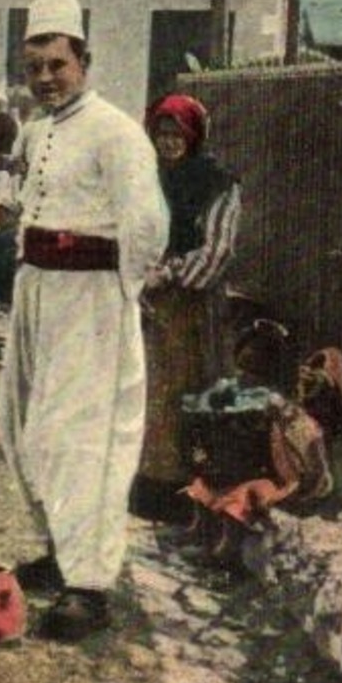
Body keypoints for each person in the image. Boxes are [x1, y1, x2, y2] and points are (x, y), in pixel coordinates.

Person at [0, 0, 167, 641]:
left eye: (56, 65)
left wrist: (126, 290)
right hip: (39, 291)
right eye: (34, 65)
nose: (44, 78)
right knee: (23, 427)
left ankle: (88, 586)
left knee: (79, 437)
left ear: (83, 61)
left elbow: (145, 221)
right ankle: (58, 550)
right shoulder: (37, 130)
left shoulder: (115, 130)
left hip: (91, 297)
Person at [132, 93, 242, 523]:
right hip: (150, 300)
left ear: (194, 136)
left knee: (189, 392)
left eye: (177, 134)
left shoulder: (218, 182)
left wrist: (172, 273)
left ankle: (189, 496)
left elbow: (218, 249)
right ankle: (149, 488)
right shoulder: (148, 177)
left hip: (192, 305)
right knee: (149, 394)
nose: (169, 142)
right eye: (161, 133)